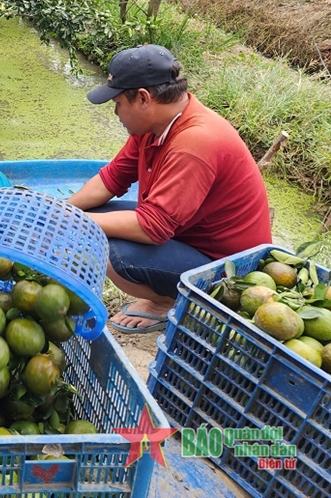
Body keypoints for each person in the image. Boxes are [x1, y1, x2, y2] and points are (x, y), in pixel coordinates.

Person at [67, 44, 272, 333]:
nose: (115, 112)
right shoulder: (156, 126)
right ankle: (167, 295)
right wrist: (65, 210)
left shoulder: (195, 143)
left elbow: (153, 228)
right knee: (94, 213)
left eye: (117, 103)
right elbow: (111, 179)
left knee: (113, 251)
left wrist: (76, 222)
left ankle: (170, 301)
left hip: (230, 270)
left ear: (143, 99)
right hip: (189, 237)